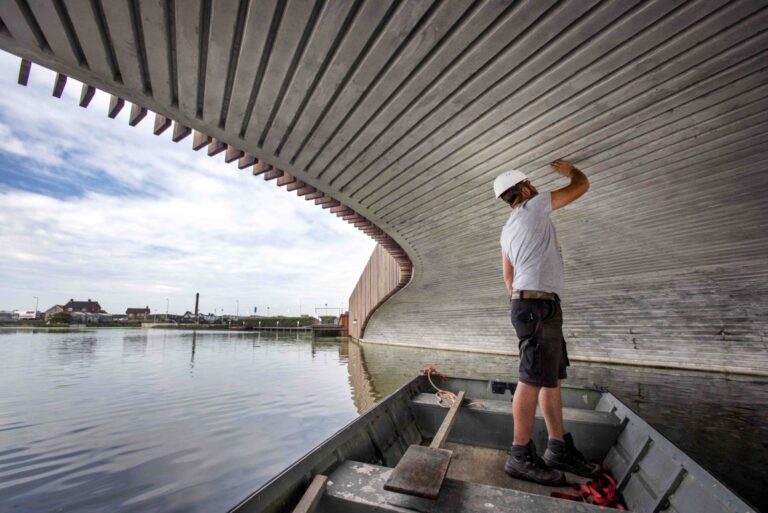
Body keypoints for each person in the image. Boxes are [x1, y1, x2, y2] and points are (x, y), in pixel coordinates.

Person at [494, 159, 599, 485]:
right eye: (532, 186)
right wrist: (570, 170)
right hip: (537, 306)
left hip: (536, 304)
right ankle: (519, 455)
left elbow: (508, 278)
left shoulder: (507, 230)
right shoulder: (534, 205)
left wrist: (526, 300)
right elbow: (581, 186)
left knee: (549, 377)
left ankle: (557, 448)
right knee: (531, 378)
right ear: (525, 190)